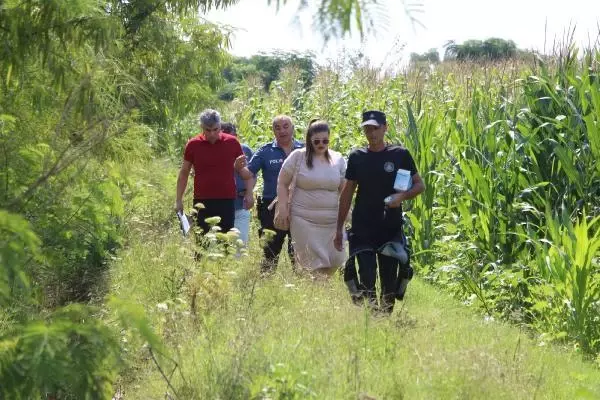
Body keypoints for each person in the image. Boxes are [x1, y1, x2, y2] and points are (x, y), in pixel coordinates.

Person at [334, 110, 425, 314]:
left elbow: (420, 186)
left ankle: (384, 320)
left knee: (389, 282)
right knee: (366, 276)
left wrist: (400, 197)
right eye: (367, 128)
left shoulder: (400, 155)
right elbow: (348, 192)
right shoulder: (357, 157)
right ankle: (372, 318)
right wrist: (339, 228)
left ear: (385, 128)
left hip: (389, 228)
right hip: (362, 228)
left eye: (375, 128)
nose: (371, 133)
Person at [275, 120, 347, 278]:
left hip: (332, 220)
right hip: (303, 218)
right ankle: (318, 297)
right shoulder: (298, 156)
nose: (321, 144)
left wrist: (349, 211)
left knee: (335, 260)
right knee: (314, 263)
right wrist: (282, 207)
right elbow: (282, 182)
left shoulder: (338, 158)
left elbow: (344, 189)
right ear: (309, 140)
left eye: (325, 141)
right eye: (317, 141)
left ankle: (320, 293)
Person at [175, 109, 254, 237]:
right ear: (202, 127)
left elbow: (244, 173)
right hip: (202, 201)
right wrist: (179, 200)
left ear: (220, 126)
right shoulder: (193, 144)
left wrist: (249, 193)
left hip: (227, 201)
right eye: (208, 130)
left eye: (216, 129)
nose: (212, 134)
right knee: (201, 244)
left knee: (226, 243)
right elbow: (184, 173)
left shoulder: (232, 142)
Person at [245, 115, 304, 273]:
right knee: (270, 250)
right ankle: (266, 285)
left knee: (300, 251)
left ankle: (302, 283)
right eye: (277, 128)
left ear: (293, 128)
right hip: (272, 207)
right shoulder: (265, 151)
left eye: (285, 126)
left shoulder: (304, 150)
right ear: (273, 131)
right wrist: (240, 169)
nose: (282, 131)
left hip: (300, 205)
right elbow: (249, 172)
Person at [221, 122, 253, 246]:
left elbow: (252, 174)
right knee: (220, 244)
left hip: (240, 203)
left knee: (239, 244)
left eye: (231, 137)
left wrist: (249, 193)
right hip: (219, 204)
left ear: (236, 136)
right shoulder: (212, 150)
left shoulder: (245, 150)